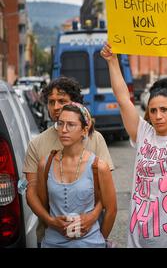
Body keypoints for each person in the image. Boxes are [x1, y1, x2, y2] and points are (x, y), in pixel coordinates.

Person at [100, 40, 167, 248]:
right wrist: (112, 61)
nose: (158, 115)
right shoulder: (143, 133)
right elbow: (123, 99)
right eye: (153, 111)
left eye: (164, 110)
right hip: (140, 232)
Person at [24, 76, 114, 246]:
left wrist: (92, 217)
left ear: (75, 103)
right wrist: (50, 221)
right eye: (51, 102)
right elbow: (31, 192)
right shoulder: (37, 144)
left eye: (62, 101)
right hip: (50, 236)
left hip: (90, 234)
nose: (56, 107)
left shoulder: (95, 139)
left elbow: (107, 192)